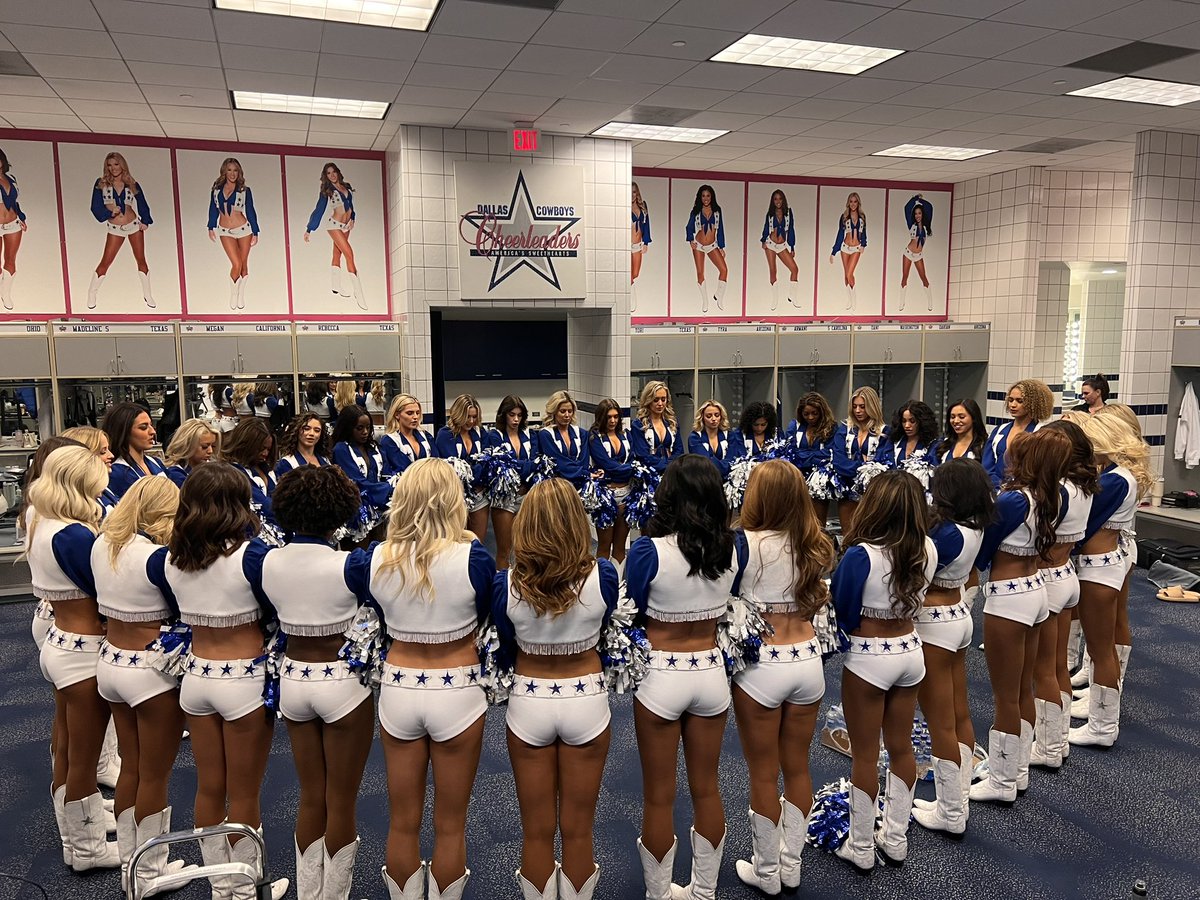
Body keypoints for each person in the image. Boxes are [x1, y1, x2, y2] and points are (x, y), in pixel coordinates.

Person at [345, 459, 495, 900]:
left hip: (399, 689)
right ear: (452, 501)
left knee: (402, 822)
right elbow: (487, 612)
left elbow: (369, 606)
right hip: (458, 689)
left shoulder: (374, 559)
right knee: (450, 824)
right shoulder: (474, 558)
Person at [153, 463, 288, 900]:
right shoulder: (253, 556)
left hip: (196, 677)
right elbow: (276, 610)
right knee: (244, 793)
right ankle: (245, 889)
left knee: (209, 786)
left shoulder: (171, 557)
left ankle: (221, 886)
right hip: (244, 680)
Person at [249, 466, 374, 900]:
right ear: (340, 510)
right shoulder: (352, 564)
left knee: (310, 795)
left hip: (293, 681)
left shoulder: (265, 561)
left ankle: (308, 893)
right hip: (342, 684)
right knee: (341, 800)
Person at [493, 479, 620, 900]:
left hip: (529, 702)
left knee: (535, 831)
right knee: (580, 831)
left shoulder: (506, 583)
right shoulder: (603, 574)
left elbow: (505, 645)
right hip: (586, 700)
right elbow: (606, 630)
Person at [626, 456, 746, 900]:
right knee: (708, 789)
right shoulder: (733, 548)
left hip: (661, 675)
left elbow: (631, 611)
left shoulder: (648, 551)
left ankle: (659, 894)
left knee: (658, 796)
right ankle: (704, 891)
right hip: (711, 673)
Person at [731, 461, 834, 892]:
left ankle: (767, 871)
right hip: (808, 659)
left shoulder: (742, 544)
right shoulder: (814, 543)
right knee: (798, 766)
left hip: (763, 664)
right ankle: (791, 866)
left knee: (762, 772)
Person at [91, 477, 193, 892]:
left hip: (110, 662)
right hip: (150, 672)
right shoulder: (158, 558)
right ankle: (149, 872)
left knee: (131, 767)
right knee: (154, 775)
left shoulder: (102, 544)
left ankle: (130, 868)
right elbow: (185, 606)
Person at [829, 470, 934, 871]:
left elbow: (842, 609)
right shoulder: (929, 547)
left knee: (865, 755)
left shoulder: (862, 555)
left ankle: (860, 847)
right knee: (902, 747)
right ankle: (895, 839)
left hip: (869, 658)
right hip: (911, 652)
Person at [25, 446, 119, 872]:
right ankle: (87, 849)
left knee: (65, 751)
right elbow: (106, 592)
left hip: (59, 643)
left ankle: (76, 840)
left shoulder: (38, 518)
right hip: (83, 652)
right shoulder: (73, 535)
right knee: (82, 758)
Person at [970, 429, 1070, 804]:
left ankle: (1002, 781)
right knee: (1023, 688)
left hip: (1009, 599)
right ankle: (1017, 771)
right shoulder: (1054, 494)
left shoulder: (1014, 499)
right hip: (1036, 591)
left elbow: (983, 549)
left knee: (1005, 697)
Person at [912, 460, 994, 835]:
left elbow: (913, 574)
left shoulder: (945, 534)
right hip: (959, 617)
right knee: (959, 714)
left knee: (940, 722)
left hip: (935, 625)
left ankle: (950, 813)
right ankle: (956, 802)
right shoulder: (975, 526)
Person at [1064, 411, 1152, 749]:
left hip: (1099, 566)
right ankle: (1101, 718)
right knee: (1104, 648)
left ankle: (1102, 726)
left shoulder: (1115, 480)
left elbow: (1085, 524)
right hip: (1106, 561)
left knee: (1101, 650)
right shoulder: (1121, 474)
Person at [1029, 420, 1098, 769]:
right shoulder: (1084, 485)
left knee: (1043, 669)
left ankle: (1048, 748)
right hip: (1068, 574)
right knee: (1058, 667)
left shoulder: (1058, 491)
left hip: (1048, 579)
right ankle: (1058, 740)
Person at [88, 152, 155, 310]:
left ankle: (148, 294)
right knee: (106, 261)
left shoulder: (131, 183)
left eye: (116, 164)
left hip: (133, 225)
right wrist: (109, 213)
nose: (113, 168)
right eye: (110, 165)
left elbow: (142, 203)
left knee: (141, 259)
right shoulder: (101, 184)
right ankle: (92, 293)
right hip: (115, 228)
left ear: (122, 165)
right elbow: (95, 206)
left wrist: (145, 220)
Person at [484, 396, 535, 571]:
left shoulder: (530, 435)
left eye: (519, 415)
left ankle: (525, 585)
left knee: (526, 549)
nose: (515, 419)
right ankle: (502, 585)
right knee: (504, 550)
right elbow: (502, 464)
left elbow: (535, 463)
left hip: (526, 495)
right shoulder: (494, 436)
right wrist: (526, 466)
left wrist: (521, 466)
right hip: (504, 498)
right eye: (512, 415)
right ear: (503, 415)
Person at [305, 162, 365, 309]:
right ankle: (359, 293)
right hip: (334, 225)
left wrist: (353, 219)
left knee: (337, 254)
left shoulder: (346, 187)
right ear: (326, 176)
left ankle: (335, 286)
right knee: (349, 254)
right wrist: (309, 228)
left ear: (337, 172)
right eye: (328, 173)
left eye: (333, 172)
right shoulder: (327, 190)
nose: (332, 175)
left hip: (346, 226)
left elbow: (351, 207)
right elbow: (319, 209)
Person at [331, 405, 392, 546]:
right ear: (348, 428)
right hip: (357, 515)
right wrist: (388, 489)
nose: (365, 432)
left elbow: (386, 472)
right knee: (360, 553)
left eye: (368, 427)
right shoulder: (341, 449)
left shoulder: (374, 447)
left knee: (380, 552)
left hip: (381, 512)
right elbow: (356, 481)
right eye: (359, 428)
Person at [831, 386, 887, 531]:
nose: (857, 411)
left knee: (870, 534)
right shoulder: (844, 429)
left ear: (872, 407)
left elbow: (882, 464)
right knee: (848, 534)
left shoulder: (884, 432)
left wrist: (858, 467)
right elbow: (838, 462)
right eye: (855, 406)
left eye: (862, 407)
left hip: (873, 494)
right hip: (847, 491)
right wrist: (863, 465)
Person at [207, 158, 260, 311]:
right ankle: (234, 293)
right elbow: (213, 209)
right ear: (224, 171)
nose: (232, 173)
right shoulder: (216, 190)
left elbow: (250, 210)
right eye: (229, 170)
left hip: (244, 230)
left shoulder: (244, 190)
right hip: (225, 231)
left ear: (239, 172)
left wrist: (255, 231)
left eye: (235, 170)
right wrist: (211, 226)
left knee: (243, 263)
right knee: (236, 263)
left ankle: (241, 295)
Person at [435, 394, 489, 542]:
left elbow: (488, 462)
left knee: (477, 544)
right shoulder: (445, 434)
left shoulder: (480, 433)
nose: (471, 421)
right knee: (456, 544)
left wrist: (472, 468)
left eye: (474, 417)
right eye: (467, 417)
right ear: (458, 415)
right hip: (456, 497)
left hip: (480, 496)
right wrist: (476, 468)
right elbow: (453, 469)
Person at [587, 398, 633, 568]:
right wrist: (629, 469)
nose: (613, 421)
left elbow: (633, 459)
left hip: (627, 493)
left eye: (616, 417)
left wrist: (623, 469)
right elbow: (606, 464)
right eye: (608, 417)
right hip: (606, 496)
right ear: (601, 418)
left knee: (620, 546)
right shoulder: (594, 438)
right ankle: (602, 581)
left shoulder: (626, 434)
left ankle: (618, 581)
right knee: (604, 546)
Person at [982, 379, 1053, 487]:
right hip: (995, 489)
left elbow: (1041, 470)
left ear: (1034, 404)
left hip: (1024, 490)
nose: (1013, 405)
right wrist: (997, 487)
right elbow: (987, 466)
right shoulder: (999, 431)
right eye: (1010, 400)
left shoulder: (1041, 433)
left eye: (1020, 401)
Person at [785, 392, 837, 525]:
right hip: (796, 477)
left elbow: (829, 453)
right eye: (806, 414)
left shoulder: (831, 428)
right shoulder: (794, 426)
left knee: (817, 523)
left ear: (822, 412)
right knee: (795, 521)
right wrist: (813, 455)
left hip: (819, 480)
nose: (810, 417)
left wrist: (803, 456)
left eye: (815, 413)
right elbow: (789, 451)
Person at [222, 418, 279, 534]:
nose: (265, 453)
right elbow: (264, 505)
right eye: (261, 449)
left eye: (268, 449)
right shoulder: (232, 472)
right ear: (246, 444)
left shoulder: (266, 469)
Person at [103, 402, 166, 501]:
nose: (152, 432)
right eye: (143, 427)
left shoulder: (156, 462)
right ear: (124, 431)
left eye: (151, 425)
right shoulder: (117, 472)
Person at [686, 184, 728, 314]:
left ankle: (719, 296)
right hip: (699, 245)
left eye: (708, 196)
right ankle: (705, 300)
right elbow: (689, 227)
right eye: (703, 196)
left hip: (712, 245)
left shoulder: (717, 210)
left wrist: (721, 246)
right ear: (700, 197)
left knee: (724, 269)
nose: (706, 198)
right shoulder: (696, 211)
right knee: (700, 272)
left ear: (712, 197)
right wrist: (691, 240)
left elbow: (720, 229)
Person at [537, 391, 592, 488]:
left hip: (581, 485)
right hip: (557, 487)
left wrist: (583, 473)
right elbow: (559, 464)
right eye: (562, 411)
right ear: (554, 412)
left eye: (570, 411)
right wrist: (583, 473)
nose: (567, 415)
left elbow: (584, 462)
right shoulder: (545, 434)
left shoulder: (582, 433)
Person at [61, 425, 119, 515]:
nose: (111, 455)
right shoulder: (75, 504)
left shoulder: (104, 490)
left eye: (108, 449)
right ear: (82, 457)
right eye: (103, 452)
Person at [630, 381, 683, 475]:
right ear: (648, 400)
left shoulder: (672, 422)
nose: (660, 403)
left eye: (663, 399)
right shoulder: (638, 425)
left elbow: (679, 451)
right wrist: (666, 466)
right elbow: (643, 455)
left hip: (671, 474)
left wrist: (671, 466)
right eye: (656, 400)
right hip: (648, 474)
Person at [380, 394, 437, 477]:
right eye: (410, 413)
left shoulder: (425, 436)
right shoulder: (389, 440)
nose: (415, 417)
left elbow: (436, 462)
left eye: (417, 413)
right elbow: (403, 468)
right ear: (397, 415)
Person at [761, 190, 799, 310]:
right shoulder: (770, 214)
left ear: (783, 200)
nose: (778, 201)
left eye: (780, 198)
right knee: (773, 271)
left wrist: (792, 246)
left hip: (782, 245)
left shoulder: (788, 213)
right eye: (775, 199)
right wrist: (763, 240)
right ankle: (775, 299)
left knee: (794, 269)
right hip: (771, 244)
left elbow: (791, 229)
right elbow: (766, 228)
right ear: (773, 201)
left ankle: (792, 296)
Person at [0, 146, 28, 310]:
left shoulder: (11, 178)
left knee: (10, 259)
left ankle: (6, 294)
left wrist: (21, 217)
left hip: (13, 223)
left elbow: (14, 202)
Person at [830, 192, 866, 310]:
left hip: (856, 248)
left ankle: (854, 299)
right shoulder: (844, 216)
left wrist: (863, 244)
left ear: (858, 203)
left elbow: (864, 233)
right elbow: (840, 233)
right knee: (846, 275)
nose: (853, 204)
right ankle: (849, 300)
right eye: (851, 201)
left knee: (850, 273)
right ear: (848, 203)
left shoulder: (862, 217)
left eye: (855, 201)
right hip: (845, 248)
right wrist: (834, 251)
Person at [688, 399, 739, 481]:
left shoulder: (730, 436)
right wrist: (723, 467)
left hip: (727, 481)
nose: (714, 419)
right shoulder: (695, 437)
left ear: (721, 416)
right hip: (703, 481)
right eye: (709, 416)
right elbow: (704, 463)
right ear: (702, 418)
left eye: (717, 415)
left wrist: (724, 469)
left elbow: (732, 461)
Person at [877, 400, 939, 466]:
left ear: (922, 422)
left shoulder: (933, 444)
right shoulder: (894, 441)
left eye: (912, 421)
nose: (907, 425)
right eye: (904, 421)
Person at [899, 194, 934, 311]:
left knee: (924, 278)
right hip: (908, 253)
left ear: (923, 214)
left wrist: (920, 200)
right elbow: (906, 208)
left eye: (919, 213)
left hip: (918, 255)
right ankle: (902, 302)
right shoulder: (911, 224)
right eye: (915, 214)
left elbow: (930, 207)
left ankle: (930, 301)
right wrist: (914, 199)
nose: (917, 215)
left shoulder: (926, 226)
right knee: (905, 277)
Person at [163, 418, 220, 487]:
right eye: (204, 447)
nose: (210, 451)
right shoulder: (176, 476)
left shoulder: (212, 469)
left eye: (213, 446)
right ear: (188, 446)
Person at [275, 413, 332, 477]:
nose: (312, 433)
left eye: (317, 430)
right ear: (297, 431)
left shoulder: (325, 460)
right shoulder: (287, 462)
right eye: (306, 429)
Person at [934, 398, 987, 463]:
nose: (956, 421)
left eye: (961, 417)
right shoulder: (942, 445)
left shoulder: (984, 446)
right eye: (952, 417)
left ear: (973, 418)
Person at [631, 182, 651, 314]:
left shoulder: (643, 207)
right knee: (629, 274)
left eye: (634, 192)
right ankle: (632, 299)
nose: (632, 195)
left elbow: (647, 225)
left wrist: (646, 242)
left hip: (638, 245)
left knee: (635, 273)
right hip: (626, 246)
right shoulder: (622, 207)